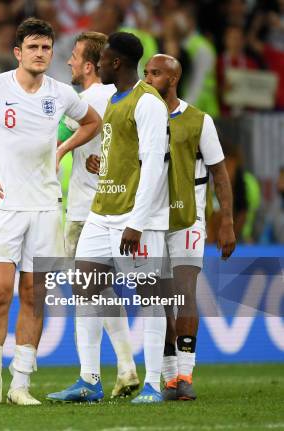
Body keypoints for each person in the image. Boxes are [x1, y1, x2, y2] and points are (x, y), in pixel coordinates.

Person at [0, 17, 101, 406]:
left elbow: (93, 122)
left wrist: (63, 149)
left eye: (46, 48)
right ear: (17, 52)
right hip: (2, 205)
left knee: (34, 294)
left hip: (45, 207)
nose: (41, 54)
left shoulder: (61, 94)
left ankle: (20, 384)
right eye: (33, 47)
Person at [70, 32, 170, 404]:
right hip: (102, 210)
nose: (97, 65)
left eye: (104, 59)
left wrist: (138, 222)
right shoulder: (114, 100)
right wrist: (103, 165)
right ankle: (88, 380)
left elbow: (155, 166)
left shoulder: (148, 103)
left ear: (117, 63)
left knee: (149, 296)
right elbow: (127, 157)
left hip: (134, 215)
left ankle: (154, 383)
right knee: (85, 284)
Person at [46, 31, 139, 403]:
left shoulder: (81, 103)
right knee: (104, 292)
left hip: (87, 213)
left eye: (74, 56)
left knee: (87, 294)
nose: (68, 62)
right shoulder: (123, 99)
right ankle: (129, 367)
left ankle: (90, 377)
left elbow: (52, 145)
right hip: (125, 210)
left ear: (89, 64)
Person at [143, 54, 236, 401]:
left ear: (173, 78)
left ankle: (184, 375)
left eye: (156, 73)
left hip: (187, 217)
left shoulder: (198, 120)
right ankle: (168, 378)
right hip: (148, 220)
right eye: (146, 72)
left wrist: (225, 220)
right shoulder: (138, 117)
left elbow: (220, 173)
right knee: (157, 297)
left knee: (183, 291)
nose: (149, 78)